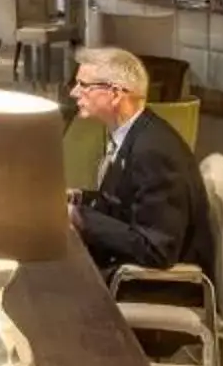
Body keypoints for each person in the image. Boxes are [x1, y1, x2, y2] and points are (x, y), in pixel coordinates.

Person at [66, 46, 214, 279]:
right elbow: (125, 204)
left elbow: (157, 249)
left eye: (84, 85)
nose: (74, 92)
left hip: (157, 288)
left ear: (115, 94)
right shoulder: (133, 133)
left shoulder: (153, 152)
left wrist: (80, 217)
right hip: (123, 268)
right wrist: (78, 199)